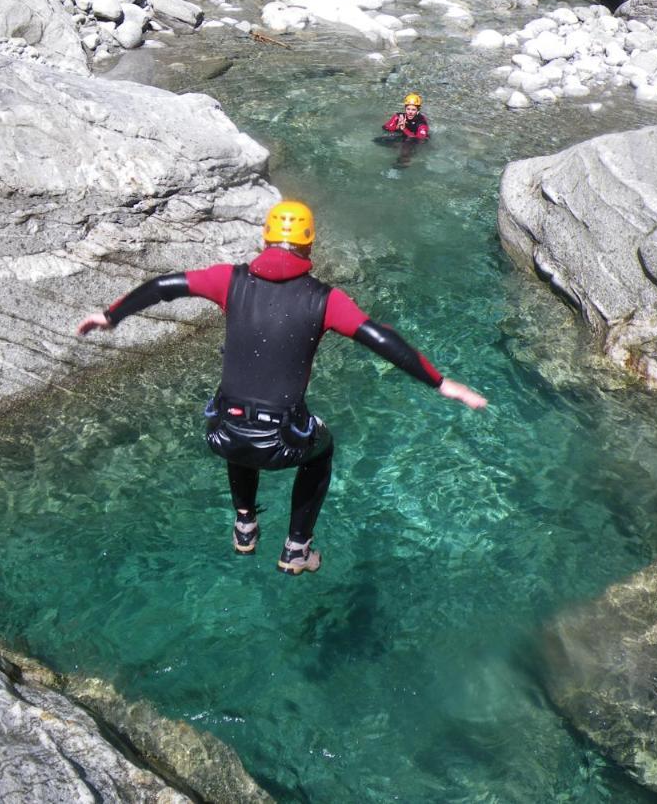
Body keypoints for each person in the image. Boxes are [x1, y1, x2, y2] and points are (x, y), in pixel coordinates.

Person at [77, 201, 486, 576]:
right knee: (322, 450)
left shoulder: (229, 280)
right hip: (282, 442)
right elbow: (379, 338)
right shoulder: (326, 300)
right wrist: (441, 383)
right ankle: (297, 549)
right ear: (309, 246)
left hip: (222, 436)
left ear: (266, 238)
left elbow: (165, 286)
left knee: (236, 418)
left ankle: (244, 526)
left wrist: (112, 316)